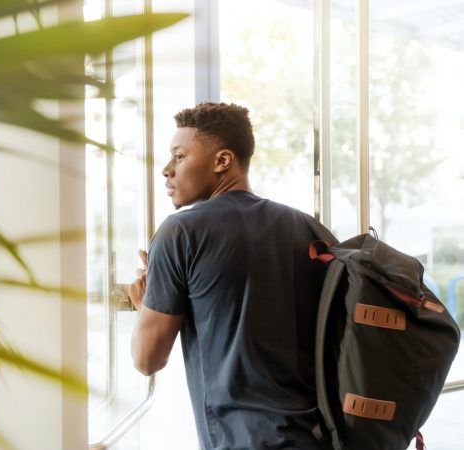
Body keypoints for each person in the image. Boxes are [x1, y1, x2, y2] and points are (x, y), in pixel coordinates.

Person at [128, 102, 329, 449]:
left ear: (222, 161)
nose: (166, 170)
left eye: (179, 156)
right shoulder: (306, 226)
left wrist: (147, 304)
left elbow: (147, 359)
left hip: (240, 441)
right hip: (318, 436)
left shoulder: (180, 232)